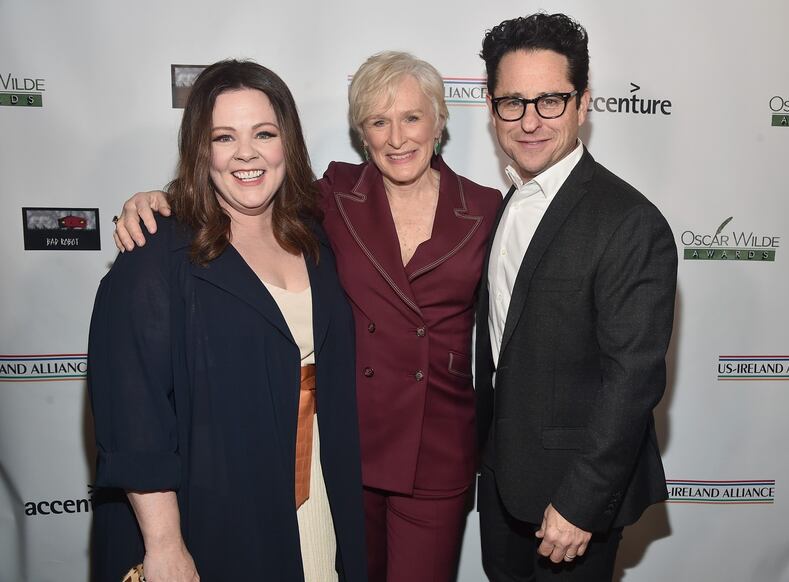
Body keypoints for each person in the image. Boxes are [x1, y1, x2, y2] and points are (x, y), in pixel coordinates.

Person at [111, 51, 502, 581]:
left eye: (411, 117)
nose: (396, 137)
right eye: (378, 122)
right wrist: (158, 200)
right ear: (361, 132)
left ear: (440, 121)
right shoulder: (332, 201)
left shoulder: (482, 209)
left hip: (396, 450)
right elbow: (136, 411)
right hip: (340, 451)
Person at [89, 59, 367, 582]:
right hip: (208, 516)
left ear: (289, 142)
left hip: (316, 496)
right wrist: (166, 545)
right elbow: (134, 416)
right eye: (224, 137)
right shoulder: (157, 253)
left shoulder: (313, 236)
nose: (247, 153)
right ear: (202, 148)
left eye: (265, 133)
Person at [474, 13, 678, 581]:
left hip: (571, 505)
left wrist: (582, 502)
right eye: (512, 102)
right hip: (502, 486)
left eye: (551, 101)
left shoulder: (629, 221)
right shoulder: (504, 205)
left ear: (583, 104)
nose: (530, 121)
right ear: (492, 109)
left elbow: (633, 377)